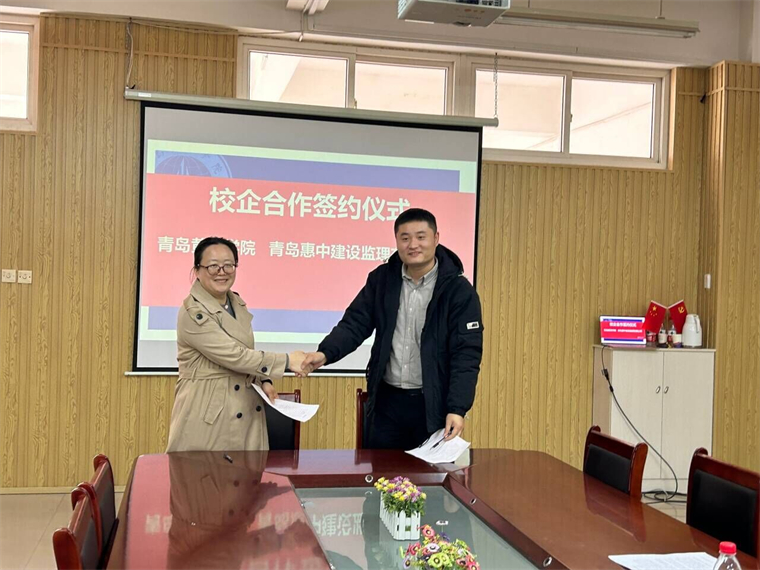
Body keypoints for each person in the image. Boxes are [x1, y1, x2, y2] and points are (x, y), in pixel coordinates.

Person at [302, 209, 483, 449]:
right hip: (387, 404)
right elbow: (355, 323)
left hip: (432, 405)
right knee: (382, 471)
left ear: (436, 238)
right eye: (405, 238)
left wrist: (457, 408)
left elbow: (466, 354)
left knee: (430, 473)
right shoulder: (382, 279)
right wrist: (325, 353)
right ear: (397, 240)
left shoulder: (458, 290)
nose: (413, 245)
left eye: (421, 237)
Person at [166, 236, 307, 452]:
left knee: (248, 472)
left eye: (228, 265)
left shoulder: (236, 303)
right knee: (204, 472)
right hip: (208, 412)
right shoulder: (193, 312)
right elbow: (235, 356)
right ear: (197, 270)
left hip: (245, 407)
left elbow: (246, 352)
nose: (222, 272)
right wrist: (287, 361)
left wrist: (264, 379)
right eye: (213, 266)